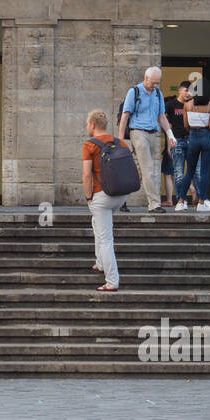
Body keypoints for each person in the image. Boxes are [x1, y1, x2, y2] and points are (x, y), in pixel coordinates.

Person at [117, 66, 177, 213]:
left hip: (153, 133)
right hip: (138, 132)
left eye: (158, 83)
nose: (155, 86)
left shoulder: (158, 93)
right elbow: (125, 115)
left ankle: (120, 199)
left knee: (140, 170)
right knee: (149, 169)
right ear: (146, 78)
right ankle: (154, 204)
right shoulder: (134, 92)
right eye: (153, 83)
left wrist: (170, 135)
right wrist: (120, 139)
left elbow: (161, 116)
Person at [83, 109, 128, 292]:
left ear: (92, 125)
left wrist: (88, 198)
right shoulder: (120, 143)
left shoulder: (89, 145)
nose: (87, 126)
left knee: (106, 239)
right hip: (120, 195)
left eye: (87, 123)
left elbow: (87, 175)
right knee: (98, 224)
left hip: (101, 196)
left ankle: (112, 281)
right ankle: (99, 262)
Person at [181, 82, 210, 212]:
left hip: (193, 137)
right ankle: (202, 202)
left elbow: (185, 125)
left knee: (189, 171)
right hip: (206, 136)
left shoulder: (187, 105)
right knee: (204, 171)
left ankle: (181, 201)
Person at [165, 80, 193, 208]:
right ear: (180, 90)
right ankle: (182, 199)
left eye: (190, 91)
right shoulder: (171, 105)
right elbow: (167, 125)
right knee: (178, 171)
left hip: (191, 139)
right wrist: (169, 144)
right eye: (186, 90)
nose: (188, 94)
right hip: (177, 140)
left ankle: (200, 198)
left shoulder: (193, 105)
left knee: (196, 171)